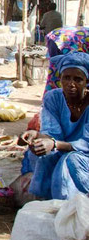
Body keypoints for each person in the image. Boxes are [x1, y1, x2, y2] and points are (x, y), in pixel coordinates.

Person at [20, 52, 89, 200]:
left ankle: (70, 201)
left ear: (86, 82)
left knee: (71, 160)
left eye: (78, 79)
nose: (71, 84)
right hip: (62, 147)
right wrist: (37, 136)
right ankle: (46, 199)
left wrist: (55, 144)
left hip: (83, 155)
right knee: (42, 154)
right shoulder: (53, 97)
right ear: (60, 80)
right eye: (66, 78)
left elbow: (86, 143)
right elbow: (52, 132)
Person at [43, 26, 89, 94]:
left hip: (55, 36)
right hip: (62, 41)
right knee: (69, 73)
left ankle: (52, 94)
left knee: (55, 71)